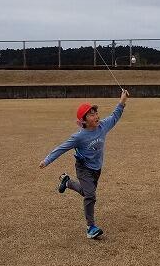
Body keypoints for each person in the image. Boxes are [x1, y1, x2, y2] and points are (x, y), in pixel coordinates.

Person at [39, 89, 129, 239]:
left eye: (96, 113)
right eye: (91, 114)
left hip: (96, 168)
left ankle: (67, 182)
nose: (96, 116)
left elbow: (115, 116)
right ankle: (90, 227)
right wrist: (47, 160)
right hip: (83, 168)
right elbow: (62, 148)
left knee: (86, 191)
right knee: (90, 195)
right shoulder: (79, 137)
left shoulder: (102, 126)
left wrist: (122, 101)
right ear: (84, 121)